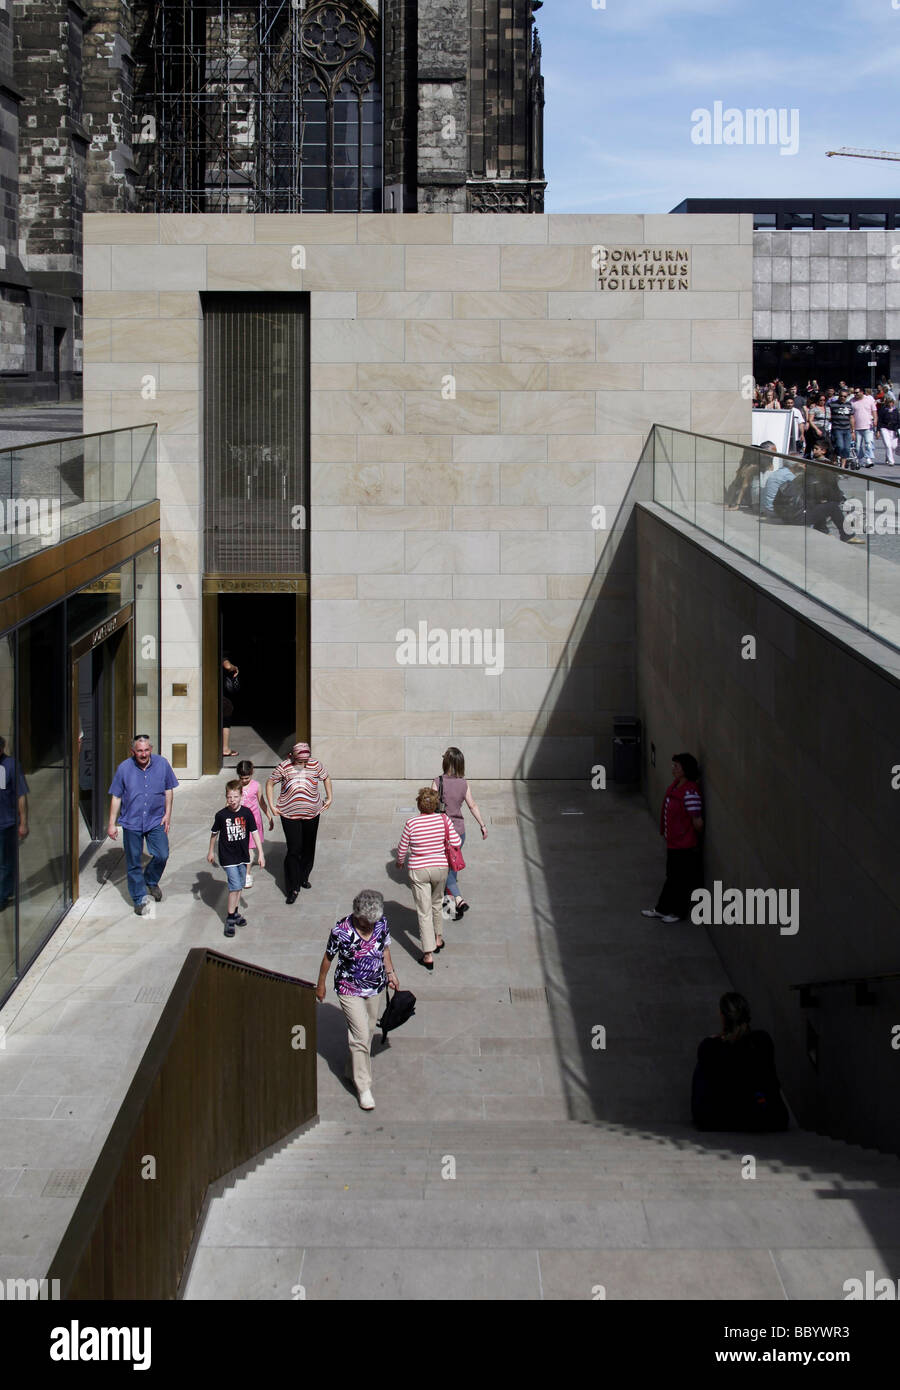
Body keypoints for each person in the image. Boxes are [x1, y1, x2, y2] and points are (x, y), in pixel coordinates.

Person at [315, 889, 399, 1111]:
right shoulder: (341, 930)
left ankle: (350, 1069)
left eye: (373, 922)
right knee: (361, 1036)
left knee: (368, 1032)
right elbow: (327, 958)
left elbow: (385, 950)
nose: (370, 926)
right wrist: (321, 984)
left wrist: (390, 973)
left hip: (375, 986)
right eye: (365, 922)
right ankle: (364, 1087)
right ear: (357, 915)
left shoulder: (381, 924)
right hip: (348, 987)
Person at [691, 993, 789, 1132]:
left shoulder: (710, 1046)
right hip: (767, 1117)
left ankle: (710, 1111)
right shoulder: (762, 1040)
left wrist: (716, 1040)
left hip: (722, 1119)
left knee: (701, 1067)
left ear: (723, 1016)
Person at [107, 735, 179, 917]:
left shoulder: (162, 764)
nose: (143, 754)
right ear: (133, 751)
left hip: (156, 820)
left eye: (146, 750)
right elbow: (116, 796)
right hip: (132, 822)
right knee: (134, 862)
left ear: (151, 749)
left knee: (162, 854)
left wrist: (167, 814)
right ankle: (139, 898)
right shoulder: (124, 768)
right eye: (139, 751)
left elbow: (168, 789)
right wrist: (111, 824)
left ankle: (151, 879)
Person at [396, 786, 461, 969]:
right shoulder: (444, 820)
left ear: (419, 805)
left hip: (419, 870)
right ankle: (438, 938)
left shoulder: (411, 823)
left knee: (423, 912)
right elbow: (455, 841)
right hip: (440, 868)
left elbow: (402, 849)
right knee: (437, 903)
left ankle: (428, 954)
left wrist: (400, 862)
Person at [266, 741, 332, 903]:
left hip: (312, 813)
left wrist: (330, 797)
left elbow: (326, 778)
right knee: (294, 849)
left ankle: (304, 875)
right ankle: (292, 887)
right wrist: (272, 805)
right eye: (299, 762)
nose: (302, 765)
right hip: (289, 814)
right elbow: (270, 783)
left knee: (309, 847)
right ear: (293, 757)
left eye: (305, 762)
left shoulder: (316, 765)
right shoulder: (284, 766)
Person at [641, 753, 703, 923]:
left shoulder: (689, 792)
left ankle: (677, 913)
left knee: (679, 880)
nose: (673, 768)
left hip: (684, 846)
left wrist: (685, 834)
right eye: (673, 765)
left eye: (677, 766)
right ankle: (662, 909)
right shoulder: (676, 786)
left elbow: (697, 822)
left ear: (685, 770)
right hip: (674, 843)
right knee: (672, 877)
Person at [431, 746, 487, 920]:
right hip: (459, 833)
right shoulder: (464, 783)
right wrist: (482, 825)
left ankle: (458, 899)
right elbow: (472, 806)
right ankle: (453, 908)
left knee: (446, 870)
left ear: (445, 762)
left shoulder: (438, 781)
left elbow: (429, 806)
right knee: (452, 866)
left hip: (442, 832)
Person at [207, 779, 264, 937]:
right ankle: (230, 918)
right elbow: (214, 834)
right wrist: (211, 851)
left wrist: (261, 853)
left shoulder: (247, 813)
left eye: (235, 797)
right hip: (227, 857)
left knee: (239, 885)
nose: (232, 800)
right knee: (235, 886)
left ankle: (236, 912)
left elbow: (254, 833)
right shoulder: (221, 815)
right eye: (229, 797)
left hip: (242, 855)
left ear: (241, 797)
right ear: (226, 797)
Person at [806, 447, 865, 544]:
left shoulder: (802, 476)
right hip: (798, 516)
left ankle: (822, 529)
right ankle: (846, 535)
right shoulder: (809, 479)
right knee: (831, 506)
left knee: (824, 504)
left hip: (796, 511)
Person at [0, 735, 28, 911]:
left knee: (5, 862)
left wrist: (23, 822)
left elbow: (20, 794)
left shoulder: (10, 766)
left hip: (6, 823)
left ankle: (3, 896)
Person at [236, 759, 273, 887]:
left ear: (252, 773)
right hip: (239, 821)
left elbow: (261, 802)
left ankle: (247, 874)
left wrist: (269, 816)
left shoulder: (256, 785)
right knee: (240, 847)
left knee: (249, 848)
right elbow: (229, 802)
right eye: (242, 778)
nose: (244, 780)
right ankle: (242, 867)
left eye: (246, 777)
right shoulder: (236, 786)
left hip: (253, 821)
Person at [851, 386, 878, 469]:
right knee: (858, 445)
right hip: (857, 427)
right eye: (854, 393)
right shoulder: (852, 401)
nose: (855, 394)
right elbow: (851, 415)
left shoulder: (869, 399)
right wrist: (852, 428)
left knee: (868, 443)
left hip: (868, 425)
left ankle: (868, 459)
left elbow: (874, 411)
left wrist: (875, 419)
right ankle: (860, 459)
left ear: (862, 392)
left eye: (857, 392)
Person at [829, 390, 856, 468]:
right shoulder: (832, 404)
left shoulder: (849, 404)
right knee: (840, 446)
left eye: (845, 396)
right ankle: (834, 458)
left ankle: (843, 466)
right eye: (841, 396)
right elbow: (827, 414)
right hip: (837, 428)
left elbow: (851, 417)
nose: (842, 398)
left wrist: (853, 430)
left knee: (847, 448)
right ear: (839, 396)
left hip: (847, 429)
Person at [222, 658, 240, 758]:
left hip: (210, 697)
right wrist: (235, 668)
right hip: (223, 698)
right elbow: (228, 666)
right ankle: (225, 748)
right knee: (225, 723)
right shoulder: (222, 657)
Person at [877, 392, 900, 466]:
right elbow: (879, 420)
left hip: (894, 429)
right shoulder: (883, 410)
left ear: (893, 403)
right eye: (889, 402)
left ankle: (887, 456)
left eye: (891, 402)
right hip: (885, 428)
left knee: (893, 446)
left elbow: (898, 420)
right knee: (888, 445)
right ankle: (891, 461)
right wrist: (878, 430)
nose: (890, 404)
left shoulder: (896, 411)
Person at [804, 394, 827, 458]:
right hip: (816, 429)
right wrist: (817, 429)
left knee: (824, 446)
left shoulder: (827, 408)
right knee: (816, 445)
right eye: (820, 400)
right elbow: (810, 420)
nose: (822, 401)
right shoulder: (814, 409)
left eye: (824, 400)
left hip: (825, 429)